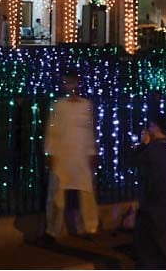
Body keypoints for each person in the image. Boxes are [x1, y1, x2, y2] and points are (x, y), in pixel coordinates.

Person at [43, 73, 98, 242]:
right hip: (62, 155)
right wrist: (50, 153)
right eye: (67, 83)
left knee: (87, 194)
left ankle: (90, 228)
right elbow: (51, 131)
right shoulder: (58, 106)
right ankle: (52, 231)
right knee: (56, 195)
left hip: (81, 155)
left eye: (73, 83)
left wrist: (92, 152)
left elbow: (89, 131)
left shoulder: (86, 105)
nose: (70, 86)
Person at [130, 113, 166, 269]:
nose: (149, 129)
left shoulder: (153, 149)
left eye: (151, 126)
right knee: (165, 240)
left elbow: (133, 162)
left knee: (152, 242)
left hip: (152, 202)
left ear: (156, 128)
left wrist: (143, 144)